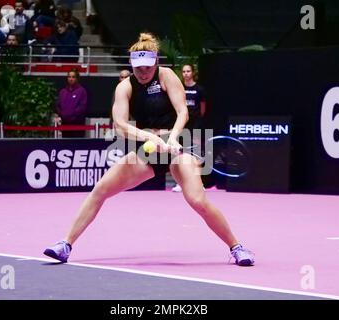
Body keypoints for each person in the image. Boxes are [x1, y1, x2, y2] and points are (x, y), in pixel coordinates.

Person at [43, 32, 254, 266]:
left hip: (178, 147)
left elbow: (183, 111)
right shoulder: (125, 87)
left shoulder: (167, 76)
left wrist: (173, 137)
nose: (142, 72)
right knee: (101, 189)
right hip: (148, 149)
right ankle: (65, 244)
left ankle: (237, 247)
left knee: (197, 201)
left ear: (156, 62)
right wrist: (148, 136)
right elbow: (121, 125)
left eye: (147, 67)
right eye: (137, 68)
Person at [172, 63, 207, 192]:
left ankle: (199, 183)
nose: (186, 73)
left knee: (197, 153)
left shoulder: (200, 90)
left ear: (193, 73)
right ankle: (180, 184)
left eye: (188, 71)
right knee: (181, 153)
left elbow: (203, 109)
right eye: (184, 71)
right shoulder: (179, 89)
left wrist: (197, 119)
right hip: (182, 124)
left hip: (196, 124)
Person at [54, 69, 88, 138]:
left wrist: (72, 116)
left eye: (73, 77)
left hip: (77, 126)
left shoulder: (82, 91)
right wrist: (62, 115)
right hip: (65, 125)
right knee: (65, 146)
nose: (71, 79)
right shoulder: (62, 91)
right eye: (69, 77)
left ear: (77, 79)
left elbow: (82, 107)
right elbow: (58, 105)